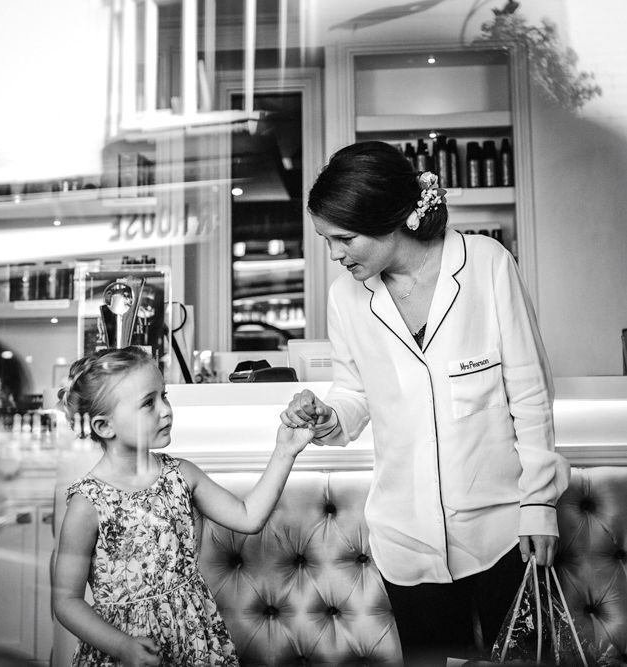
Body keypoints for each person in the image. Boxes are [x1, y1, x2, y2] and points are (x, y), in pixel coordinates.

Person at [280, 141, 571, 665]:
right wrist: (329, 417)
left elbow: (529, 394)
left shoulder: (485, 265)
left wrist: (539, 505)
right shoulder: (346, 298)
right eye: (326, 240)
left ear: (389, 218)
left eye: (344, 238)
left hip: (505, 532)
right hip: (405, 537)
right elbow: (353, 394)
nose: (335, 255)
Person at [53, 346, 313, 667]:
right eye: (148, 403)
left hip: (194, 642)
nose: (166, 410)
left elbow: (249, 517)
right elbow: (66, 601)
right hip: (127, 653)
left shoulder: (181, 474)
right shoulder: (87, 504)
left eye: (165, 396)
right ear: (105, 427)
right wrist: (121, 645)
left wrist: (285, 451)